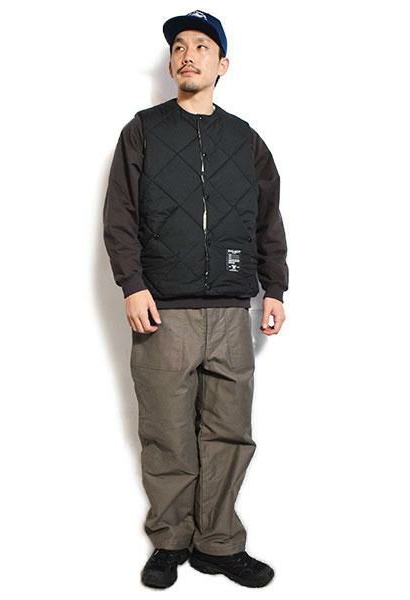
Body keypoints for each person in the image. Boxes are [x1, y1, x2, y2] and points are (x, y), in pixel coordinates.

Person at [103, 9, 288, 589]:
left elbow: (268, 219)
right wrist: (132, 283)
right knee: (167, 433)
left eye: (202, 46)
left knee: (230, 432)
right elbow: (120, 215)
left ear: (222, 64)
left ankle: (218, 543)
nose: (188, 54)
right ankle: (170, 540)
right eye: (179, 46)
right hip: (164, 312)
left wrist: (275, 288)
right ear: (171, 64)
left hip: (232, 312)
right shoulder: (142, 131)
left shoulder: (246, 140)